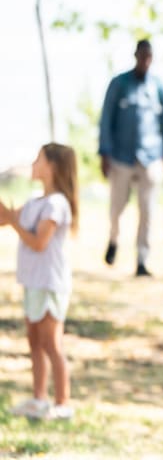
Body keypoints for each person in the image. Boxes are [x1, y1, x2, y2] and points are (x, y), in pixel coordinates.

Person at [0, 143, 80, 421]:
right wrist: (9, 217)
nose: (33, 164)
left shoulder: (56, 204)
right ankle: (39, 399)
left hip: (49, 283)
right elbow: (6, 219)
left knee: (51, 344)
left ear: (52, 167)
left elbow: (38, 242)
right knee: (34, 341)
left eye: (38, 159)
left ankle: (62, 404)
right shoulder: (35, 201)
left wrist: (14, 222)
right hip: (32, 282)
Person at [98, 38, 163, 277]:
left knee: (147, 211)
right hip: (121, 158)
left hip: (151, 157)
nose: (145, 60)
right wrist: (104, 152)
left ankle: (142, 260)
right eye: (142, 56)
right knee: (117, 207)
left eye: (149, 57)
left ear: (152, 58)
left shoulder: (158, 87)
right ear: (135, 55)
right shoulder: (119, 84)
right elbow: (106, 120)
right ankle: (113, 239)